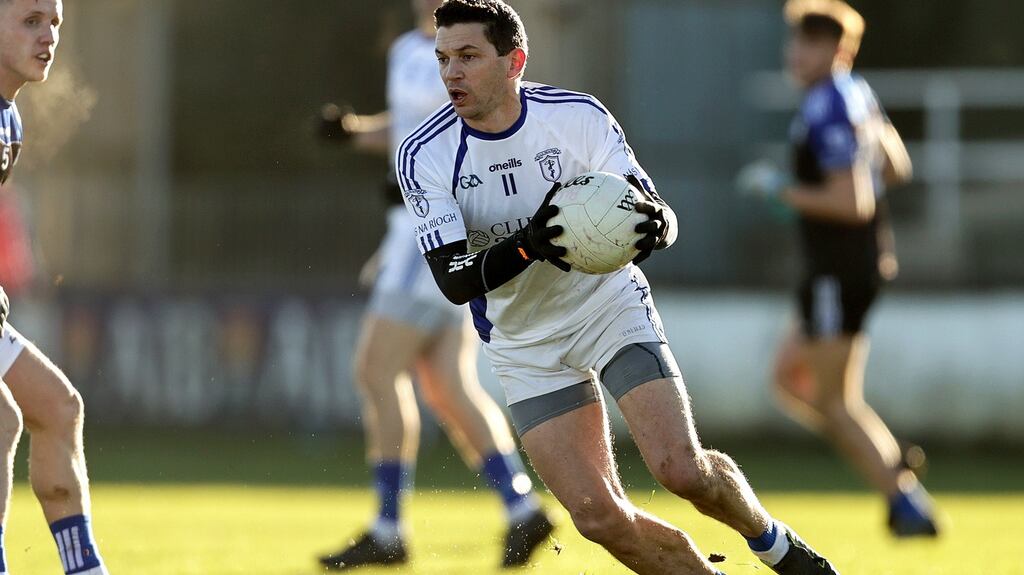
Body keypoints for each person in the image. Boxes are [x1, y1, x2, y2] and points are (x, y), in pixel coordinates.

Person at [398, 1, 840, 573]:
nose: (451, 73)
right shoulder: (425, 154)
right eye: (443, 60)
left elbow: (653, 212)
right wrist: (530, 244)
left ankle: (774, 542)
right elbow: (455, 280)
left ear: (515, 62)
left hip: (607, 306)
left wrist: (662, 225)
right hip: (525, 344)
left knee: (681, 469)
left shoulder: (577, 117)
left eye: (468, 57)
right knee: (597, 518)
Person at [315, 0, 552, 569]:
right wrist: (353, 133)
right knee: (447, 383)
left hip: (437, 231)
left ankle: (389, 527)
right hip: (411, 226)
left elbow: (479, 126)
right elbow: (406, 126)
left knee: (375, 371)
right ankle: (522, 510)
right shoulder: (408, 52)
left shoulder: (475, 57)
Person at [736, 0, 938, 538]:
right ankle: (892, 472)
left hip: (839, 268)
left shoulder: (829, 106)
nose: (796, 53)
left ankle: (904, 499)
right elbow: (895, 167)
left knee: (832, 400)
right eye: (795, 42)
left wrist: (783, 190)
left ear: (838, 50)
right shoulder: (856, 94)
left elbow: (853, 204)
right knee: (788, 380)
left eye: (810, 43)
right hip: (846, 263)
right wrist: (812, 193)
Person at [0, 1, 110, 574]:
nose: (48, 36)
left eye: (55, 23)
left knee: (53, 410)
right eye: (30, 20)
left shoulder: (8, 121)